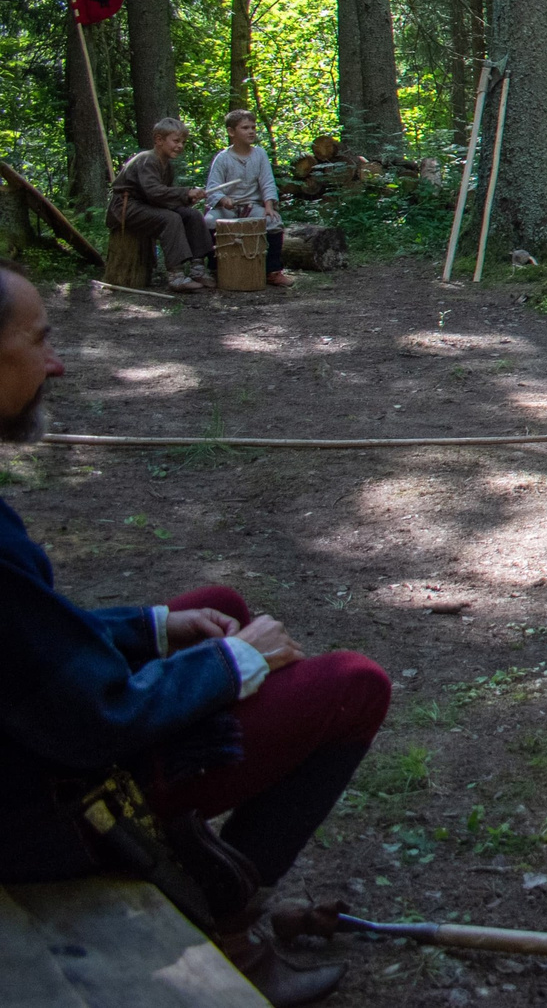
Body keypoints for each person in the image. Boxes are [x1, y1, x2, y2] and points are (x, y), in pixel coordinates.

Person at [0, 261, 389, 1004]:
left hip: (27, 756)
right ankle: (228, 926)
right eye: (38, 341)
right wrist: (235, 662)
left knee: (216, 601)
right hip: (34, 812)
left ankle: (194, 859)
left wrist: (156, 626)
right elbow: (93, 720)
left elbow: (29, 638)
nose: (56, 362)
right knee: (351, 687)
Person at [112, 119, 215, 293]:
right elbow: (153, 192)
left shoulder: (167, 165)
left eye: (183, 142)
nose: (180, 146)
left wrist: (188, 199)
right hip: (127, 208)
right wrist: (185, 192)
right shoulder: (147, 160)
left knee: (192, 215)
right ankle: (176, 275)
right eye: (176, 141)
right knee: (171, 218)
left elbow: (162, 197)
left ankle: (198, 268)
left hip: (146, 206)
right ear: (159, 140)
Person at [202, 110, 292, 289]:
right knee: (209, 221)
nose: (251, 131)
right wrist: (223, 199)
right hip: (227, 207)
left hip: (252, 206)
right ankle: (214, 269)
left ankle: (272, 271)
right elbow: (212, 188)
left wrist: (268, 205)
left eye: (253, 127)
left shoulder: (260, 154)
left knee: (274, 222)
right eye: (245, 128)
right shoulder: (223, 158)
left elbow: (267, 181)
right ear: (231, 132)